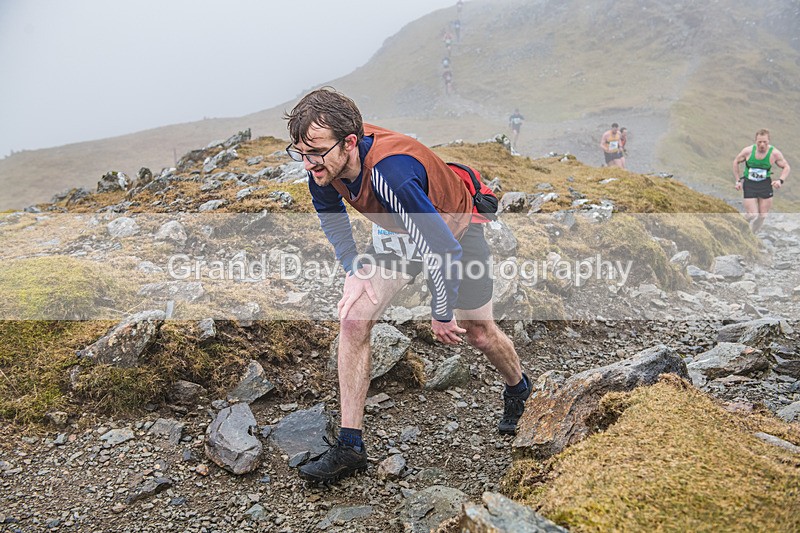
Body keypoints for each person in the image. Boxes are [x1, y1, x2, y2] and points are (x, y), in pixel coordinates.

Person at [284, 87, 530, 484]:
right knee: (353, 318)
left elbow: (443, 248)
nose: (308, 163)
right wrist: (353, 267)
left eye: (315, 152)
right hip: (399, 232)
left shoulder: (391, 177)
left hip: (453, 229)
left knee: (479, 333)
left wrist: (441, 312)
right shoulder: (323, 169)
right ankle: (351, 446)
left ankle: (518, 388)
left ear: (349, 142)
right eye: (300, 152)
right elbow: (331, 217)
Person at [732, 128, 790, 233]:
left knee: (762, 216)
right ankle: (737, 228)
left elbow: (786, 167)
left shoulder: (775, 153)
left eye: (765, 142)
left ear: (769, 141)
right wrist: (738, 181)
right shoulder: (748, 151)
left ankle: (752, 235)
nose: (762, 145)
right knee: (752, 214)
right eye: (759, 142)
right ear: (755, 141)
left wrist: (780, 180)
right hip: (750, 184)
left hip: (765, 184)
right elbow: (736, 161)